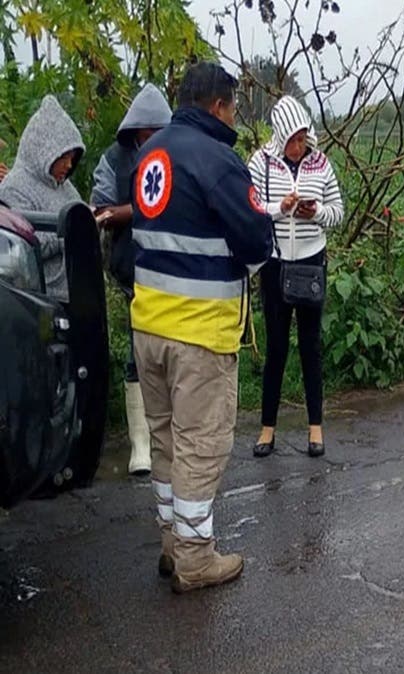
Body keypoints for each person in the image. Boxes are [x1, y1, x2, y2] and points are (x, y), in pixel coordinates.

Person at [130, 62, 273, 593]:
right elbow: (258, 241)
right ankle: (194, 558)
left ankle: (172, 543)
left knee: (166, 442)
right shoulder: (218, 160)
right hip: (198, 333)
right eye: (233, 106)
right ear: (218, 106)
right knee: (201, 445)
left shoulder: (150, 155)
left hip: (147, 326)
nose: (234, 115)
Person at [247, 96, 344, 460]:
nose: (299, 146)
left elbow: (338, 212)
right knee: (276, 347)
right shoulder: (261, 163)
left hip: (311, 262)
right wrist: (280, 208)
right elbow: (251, 207)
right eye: (293, 138)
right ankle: (267, 429)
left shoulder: (320, 164)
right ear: (280, 135)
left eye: (304, 138)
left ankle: (315, 428)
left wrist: (315, 212)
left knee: (310, 345)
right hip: (275, 265)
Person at [91, 84, 173, 477]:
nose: (154, 138)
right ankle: (140, 446)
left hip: (174, 271)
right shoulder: (114, 159)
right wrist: (138, 209)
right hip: (132, 271)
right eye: (149, 132)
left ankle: (166, 438)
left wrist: (129, 211)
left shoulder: (178, 155)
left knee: (172, 352)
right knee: (138, 351)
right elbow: (100, 209)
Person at [0, 95, 86, 303]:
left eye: (72, 159)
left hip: (76, 294)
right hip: (42, 302)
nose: (68, 165)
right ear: (45, 151)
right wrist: (71, 230)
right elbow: (27, 245)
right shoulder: (15, 188)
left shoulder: (65, 187)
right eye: (63, 158)